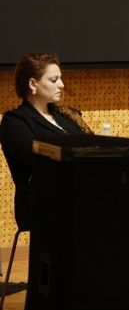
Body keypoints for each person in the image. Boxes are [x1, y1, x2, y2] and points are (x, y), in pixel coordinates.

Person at [0, 53, 93, 232]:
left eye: (60, 78)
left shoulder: (69, 115)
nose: (62, 84)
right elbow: (39, 162)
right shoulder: (15, 122)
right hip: (42, 201)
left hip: (79, 191)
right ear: (33, 84)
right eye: (54, 80)